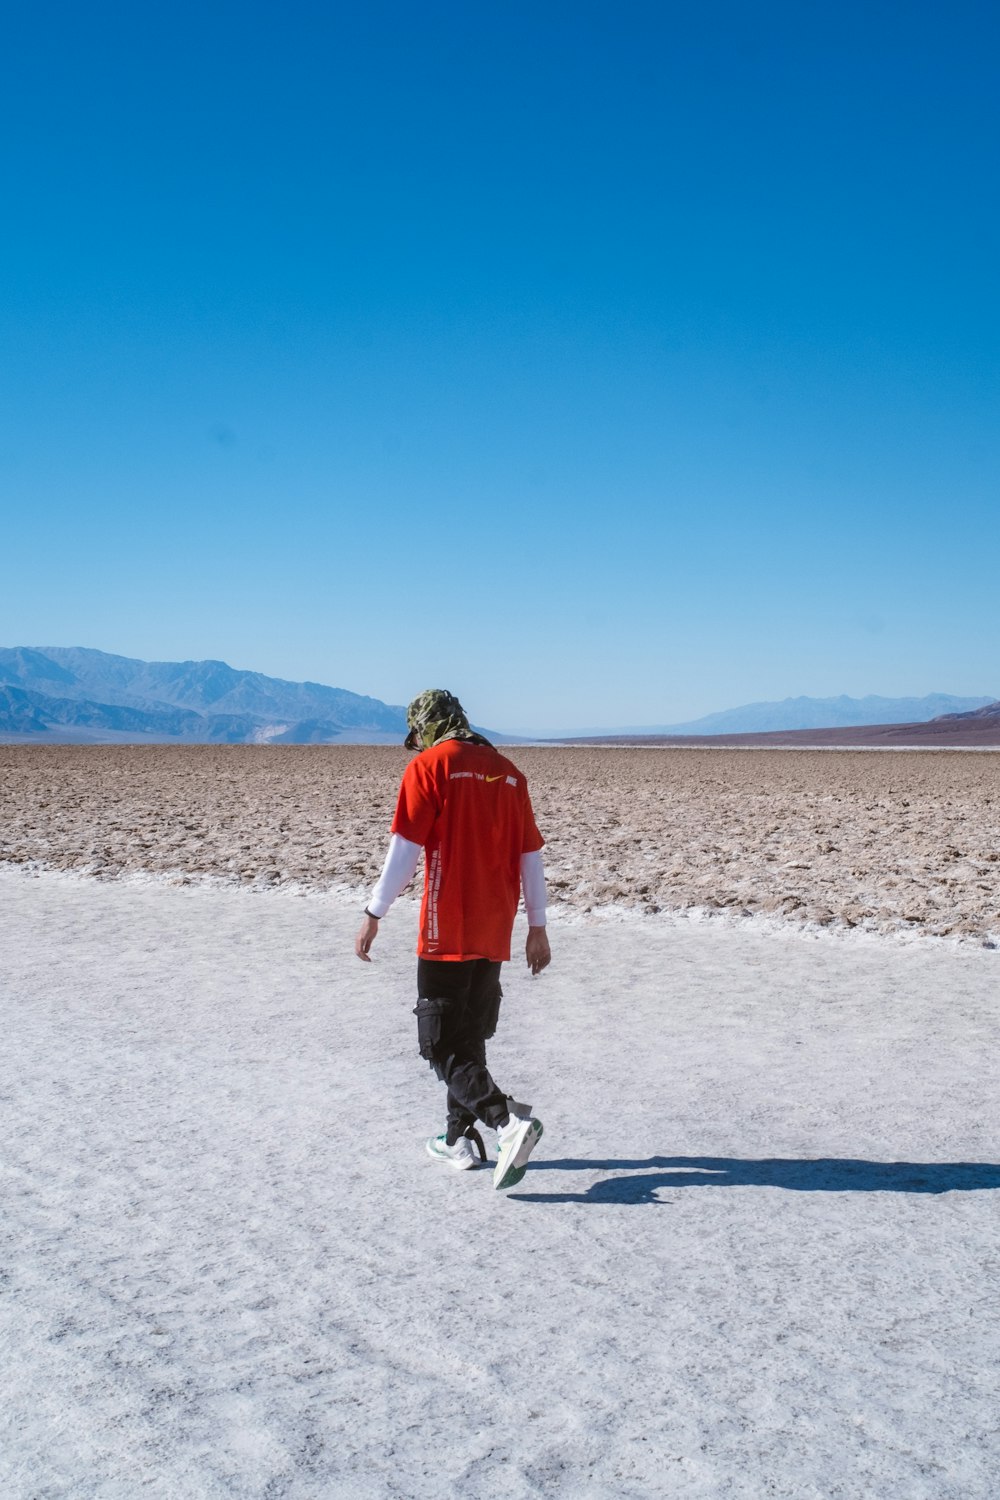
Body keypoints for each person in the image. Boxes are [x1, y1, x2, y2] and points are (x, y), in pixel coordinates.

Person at [355, 688, 551, 1190]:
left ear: (426, 726)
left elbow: (405, 850)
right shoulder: (510, 773)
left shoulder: (430, 767)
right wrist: (536, 926)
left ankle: (506, 1123)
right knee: (469, 1037)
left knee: (439, 1042)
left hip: (447, 926)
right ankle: (455, 1139)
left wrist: (375, 912)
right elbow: (531, 856)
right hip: (496, 927)